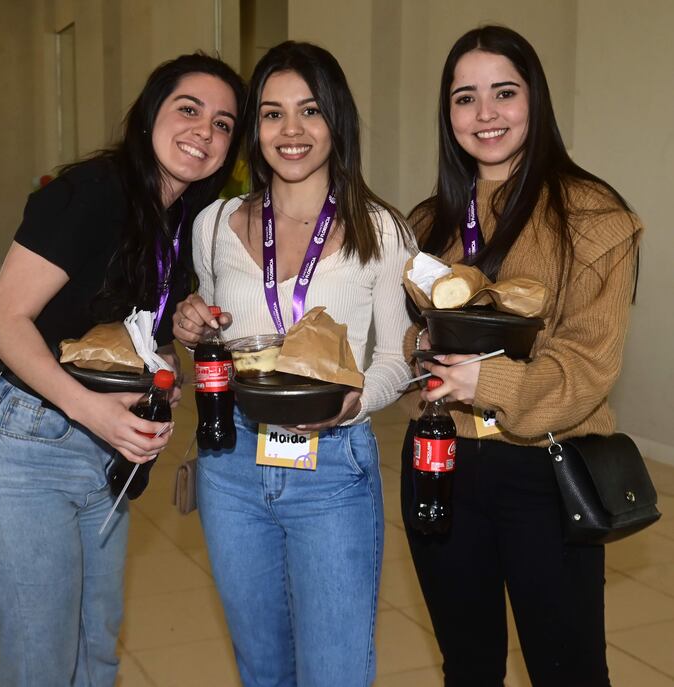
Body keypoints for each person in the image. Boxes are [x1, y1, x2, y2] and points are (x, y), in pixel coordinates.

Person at [0, 54, 245, 686]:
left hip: (99, 453)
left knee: (95, 653)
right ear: (149, 115)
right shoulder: (91, 193)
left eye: (222, 123)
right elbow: (3, 322)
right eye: (188, 110)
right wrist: (90, 408)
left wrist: (172, 347)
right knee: (43, 664)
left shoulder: (180, 220)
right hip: (22, 446)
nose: (203, 132)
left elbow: (118, 331)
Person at [399, 25, 643, 687]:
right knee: (469, 665)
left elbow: (588, 366)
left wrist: (485, 377)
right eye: (464, 97)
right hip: (439, 457)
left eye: (503, 93)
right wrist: (418, 346)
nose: (484, 114)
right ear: (446, 113)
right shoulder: (428, 224)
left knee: (568, 669)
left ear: (534, 101)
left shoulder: (594, 217)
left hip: (546, 469)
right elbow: (409, 335)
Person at [173, 41, 413, 687]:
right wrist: (192, 329)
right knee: (263, 667)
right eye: (272, 113)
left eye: (310, 110)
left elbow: (398, 358)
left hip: (331, 467)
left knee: (334, 670)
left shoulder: (380, 229)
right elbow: (215, 342)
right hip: (231, 469)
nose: (292, 131)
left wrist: (352, 402)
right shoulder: (215, 222)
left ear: (337, 120)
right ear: (254, 127)